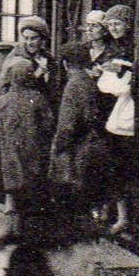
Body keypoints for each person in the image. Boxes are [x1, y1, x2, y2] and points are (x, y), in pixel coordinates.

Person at [50, 12, 108, 191]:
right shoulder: (88, 81)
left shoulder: (74, 86)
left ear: (66, 65)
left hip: (81, 148)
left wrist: (57, 148)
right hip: (96, 141)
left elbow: (67, 125)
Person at [0, 57, 54, 200]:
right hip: (33, 150)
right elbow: (48, 124)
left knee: (12, 190)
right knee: (33, 190)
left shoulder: (4, 100)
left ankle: (11, 213)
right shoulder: (38, 98)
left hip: (10, 152)